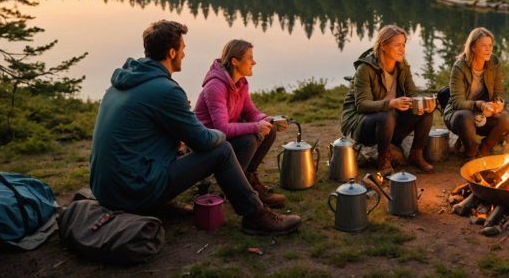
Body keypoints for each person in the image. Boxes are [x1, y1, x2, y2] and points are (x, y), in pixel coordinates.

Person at [89, 20, 302, 235]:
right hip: (133, 193)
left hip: (106, 190)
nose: (184, 55)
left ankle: (162, 202)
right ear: (172, 52)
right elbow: (204, 141)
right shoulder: (166, 90)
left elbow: (146, 134)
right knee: (222, 150)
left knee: (210, 144)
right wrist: (224, 131)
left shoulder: (123, 83)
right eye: (183, 49)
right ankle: (255, 215)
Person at [194, 39, 286, 208]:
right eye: (250, 58)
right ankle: (233, 186)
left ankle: (249, 180)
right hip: (207, 141)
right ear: (234, 61)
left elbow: (250, 112)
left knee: (269, 130)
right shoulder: (216, 86)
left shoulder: (240, 83)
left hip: (222, 137)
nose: (254, 62)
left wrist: (269, 120)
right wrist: (255, 127)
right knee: (249, 139)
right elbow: (221, 128)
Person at [340, 25, 434, 176]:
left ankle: (416, 155)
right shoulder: (365, 69)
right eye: (397, 45)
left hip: (392, 123)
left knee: (426, 112)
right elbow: (362, 105)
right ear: (383, 46)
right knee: (386, 114)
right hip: (364, 124)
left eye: (403, 45)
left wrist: (424, 103)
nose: (402, 49)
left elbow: (412, 95)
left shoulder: (403, 67)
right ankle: (384, 159)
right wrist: (391, 103)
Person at [443, 27, 509, 159]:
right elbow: (457, 102)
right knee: (465, 116)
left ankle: (485, 147)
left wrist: (499, 104)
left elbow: (498, 93)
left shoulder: (494, 63)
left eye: (490, 45)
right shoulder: (459, 67)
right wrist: (479, 104)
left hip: (484, 113)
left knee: (507, 120)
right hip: (459, 114)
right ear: (473, 48)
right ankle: (470, 150)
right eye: (483, 45)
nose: (488, 49)